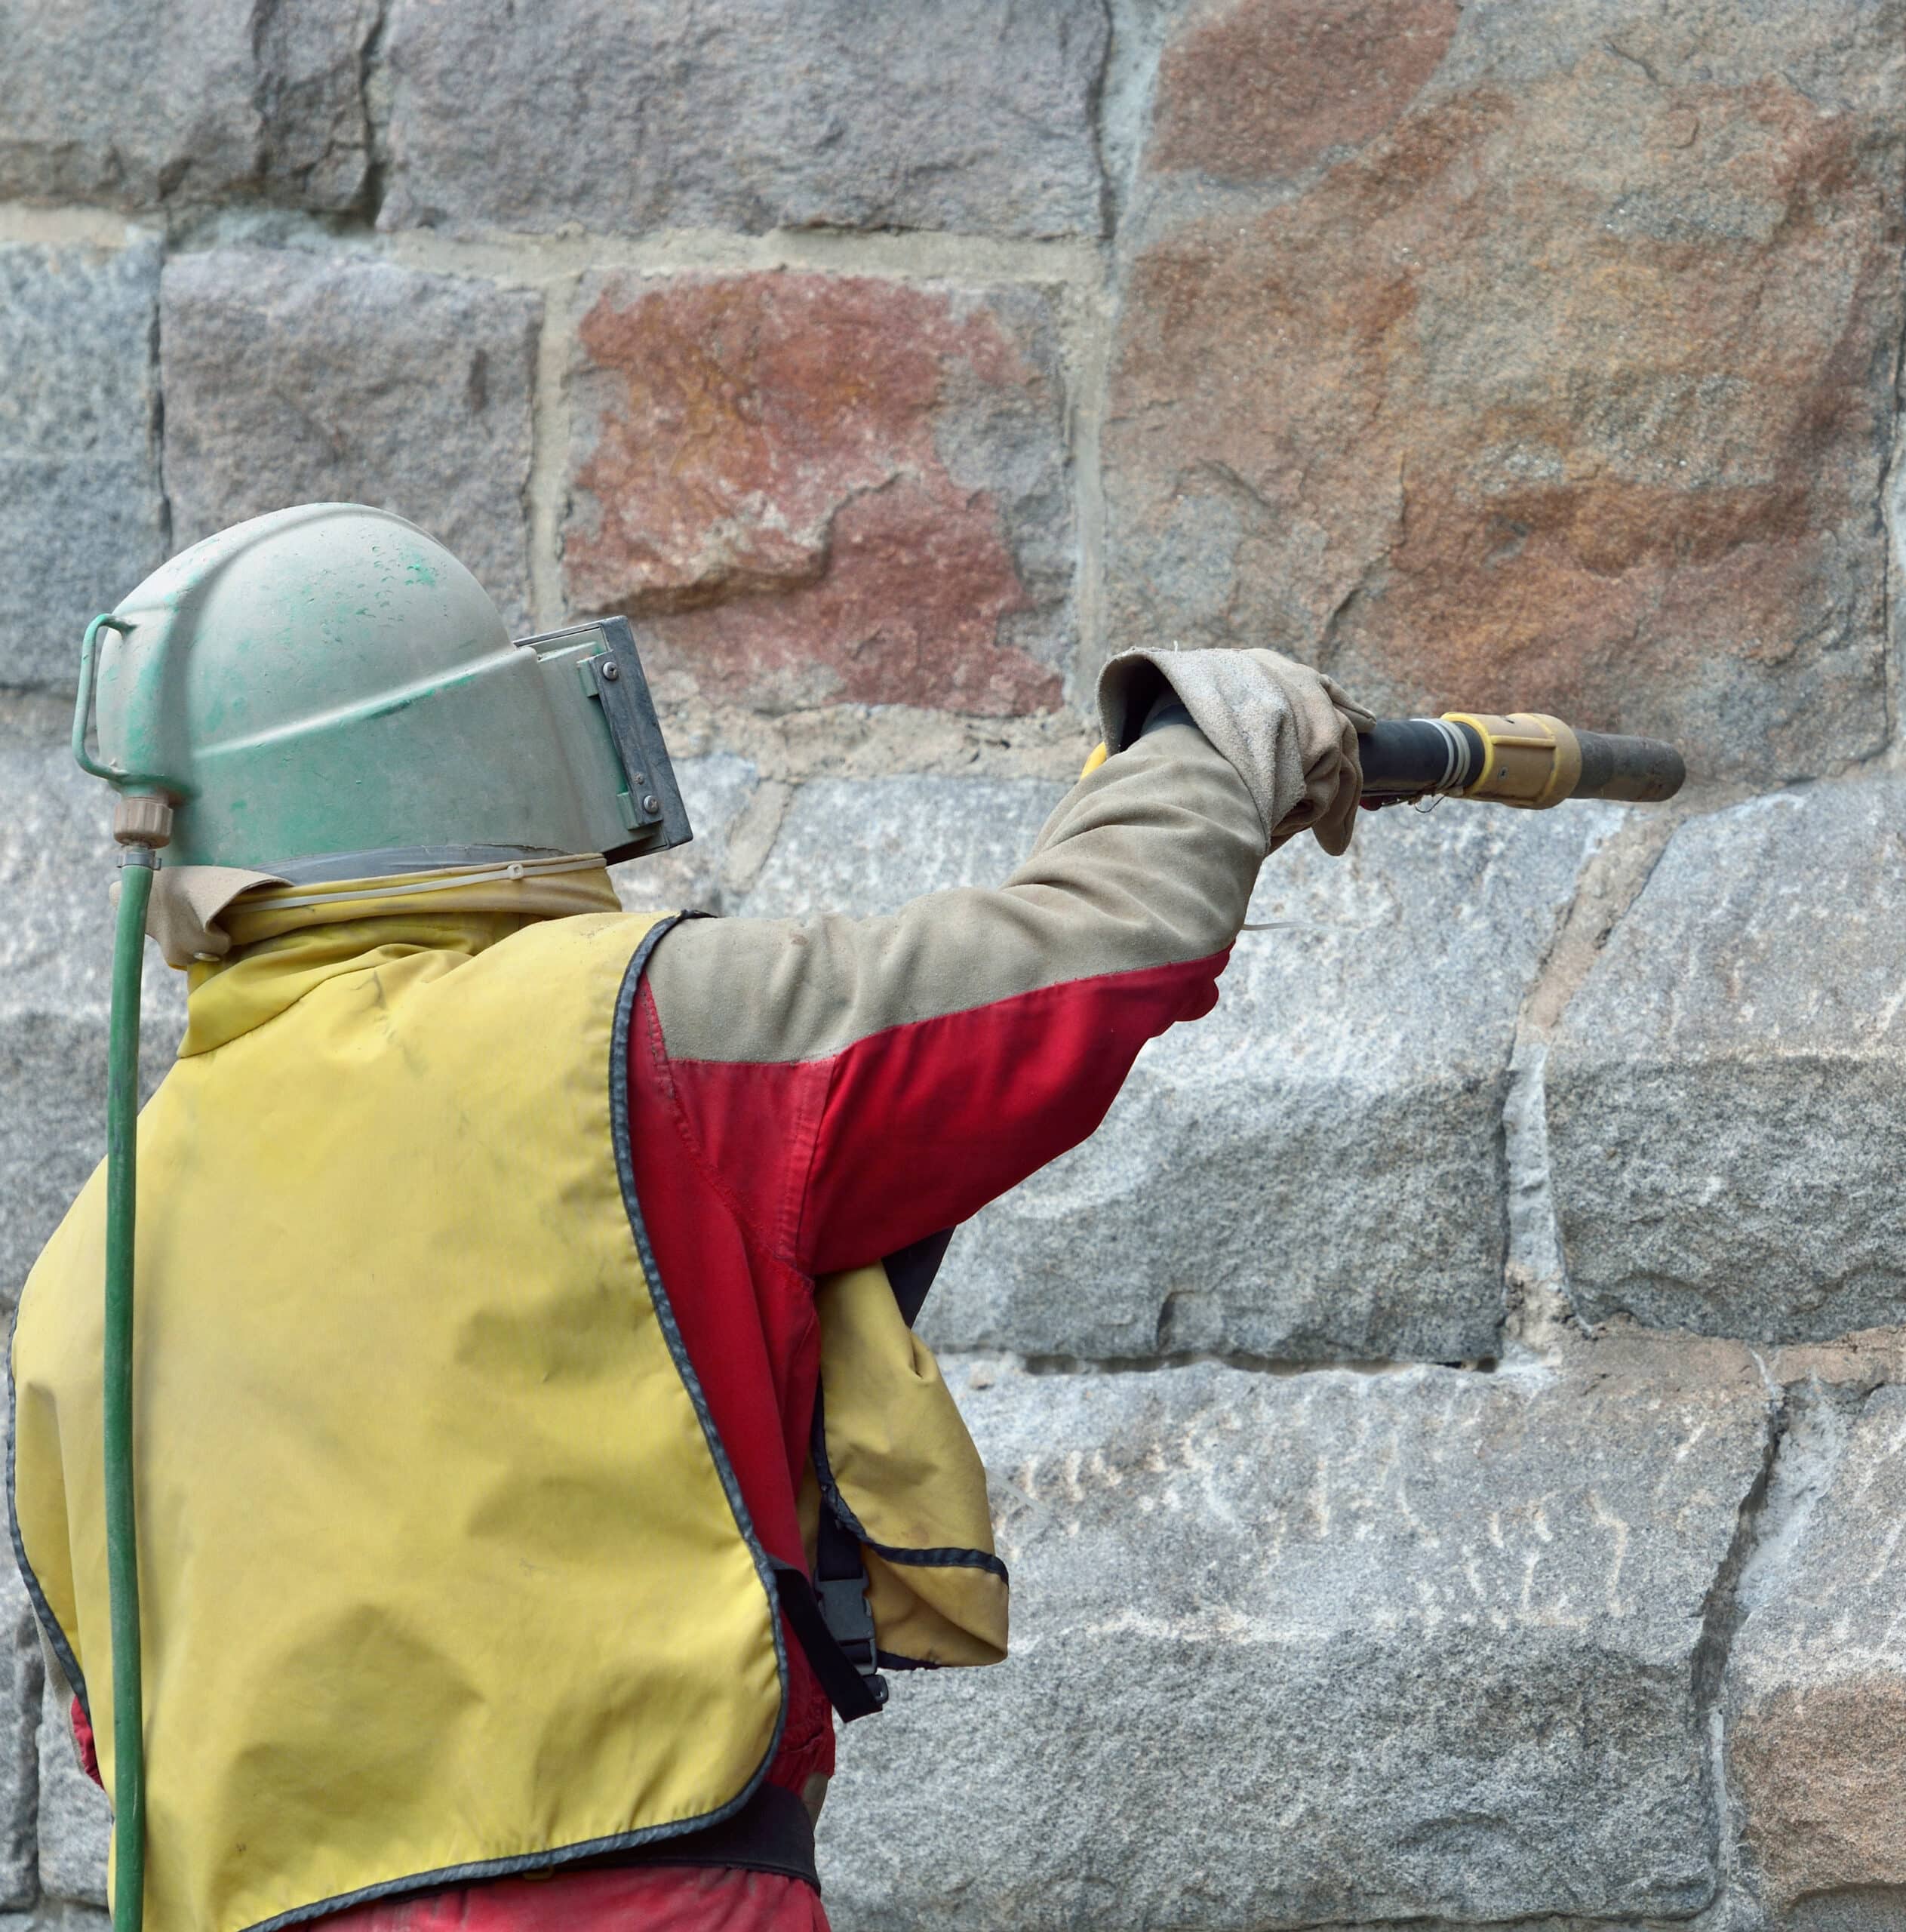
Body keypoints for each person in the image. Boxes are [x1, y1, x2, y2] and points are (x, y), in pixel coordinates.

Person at [9, 504, 1367, 1932]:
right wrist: (1208, 745)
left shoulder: (80, 1268)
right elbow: (1072, 974)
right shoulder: (620, 1034)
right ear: (476, 752)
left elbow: (114, 1732)